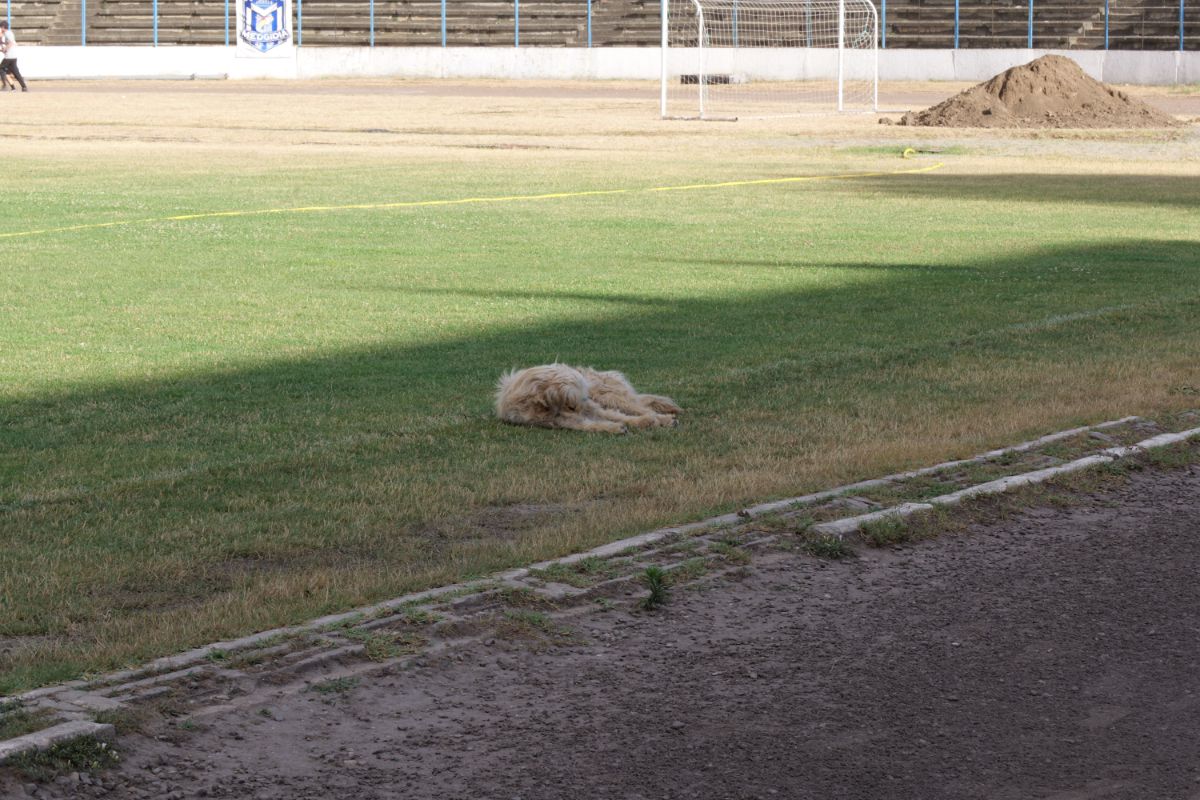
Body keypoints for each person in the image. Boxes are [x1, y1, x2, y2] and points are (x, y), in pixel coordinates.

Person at [0, 21, 29, 92]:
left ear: (3, 27)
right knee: (12, 73)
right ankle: (23, 87)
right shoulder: (9, 33)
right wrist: (3, 50)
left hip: (9, 57)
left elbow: (11, 43)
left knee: (1, 69)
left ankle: (10, 87)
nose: (0, 28)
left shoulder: (7, 34)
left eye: (1, 27)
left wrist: (5, 49)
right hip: (13, 56)